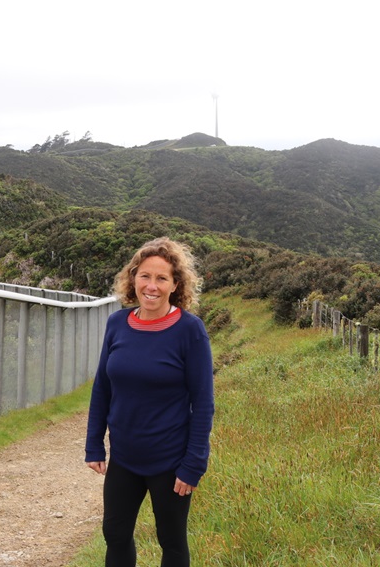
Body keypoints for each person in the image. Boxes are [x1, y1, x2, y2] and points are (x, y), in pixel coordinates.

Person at [85, 237, 214, 567]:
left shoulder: (190, 331)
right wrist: (94, 444)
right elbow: (103, 386)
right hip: (125, 458)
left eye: (161, 278)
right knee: (114, 534)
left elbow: (203, 403)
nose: (151, 286)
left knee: (171, 541)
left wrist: (193, 463)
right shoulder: (117, 324)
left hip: (170, 462)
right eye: (144, 276)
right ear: (133, 279)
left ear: (175, 285)